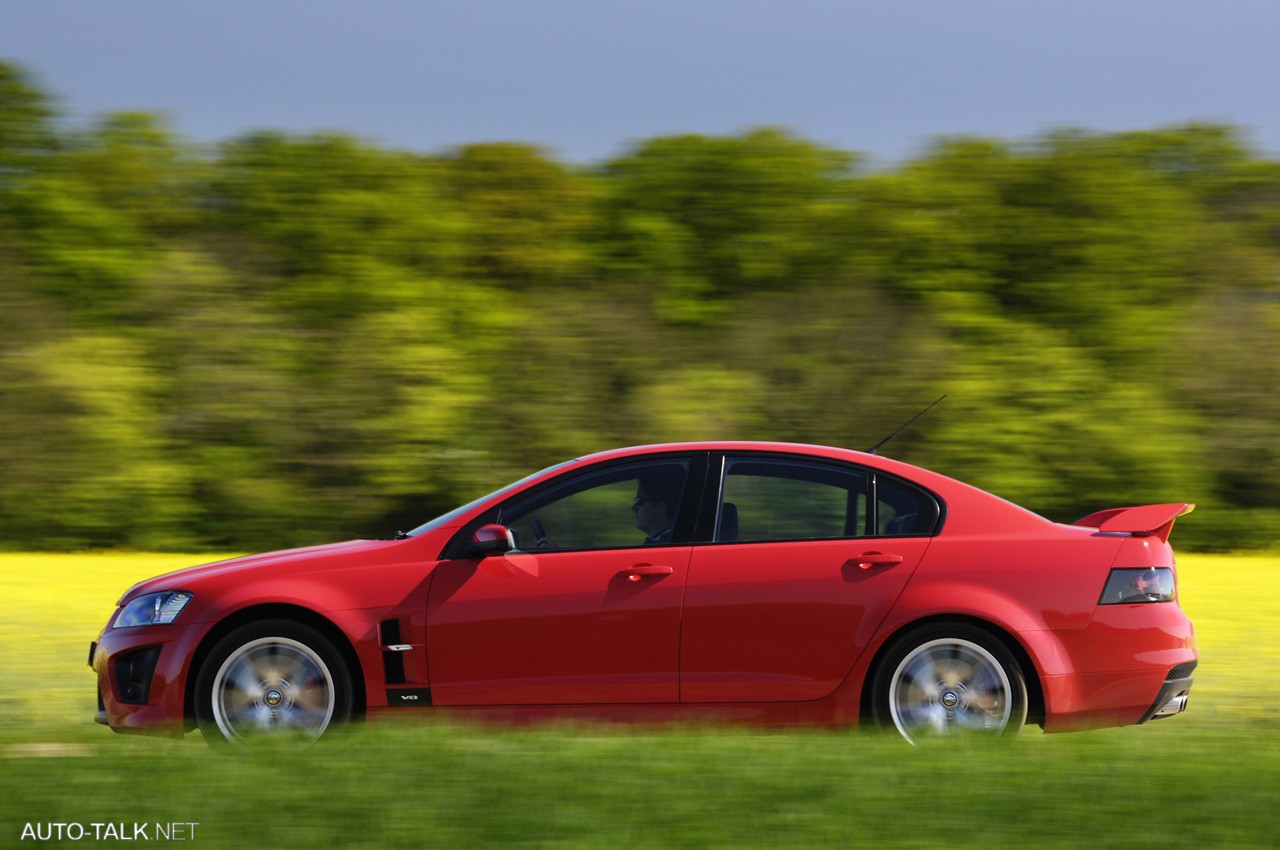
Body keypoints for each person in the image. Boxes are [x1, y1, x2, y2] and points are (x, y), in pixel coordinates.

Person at [633, 471, 681, 545]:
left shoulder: (660, 545)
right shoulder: (670, 541)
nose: (633, 508)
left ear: (659, 507)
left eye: (639, 501)